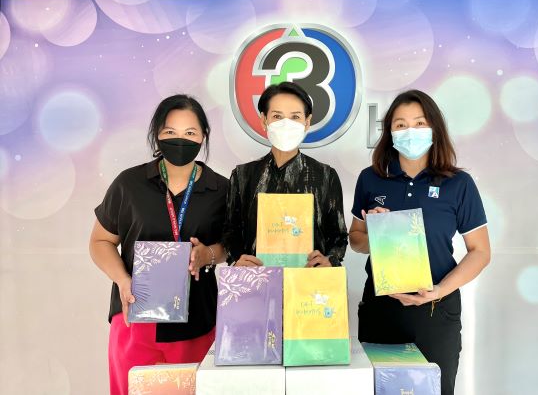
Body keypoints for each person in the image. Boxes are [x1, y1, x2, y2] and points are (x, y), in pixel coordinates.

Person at [349, 89, 491, 395]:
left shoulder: (458, 183)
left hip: (436, 310)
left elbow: (480, 252)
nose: (409, 131)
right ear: (389, 132)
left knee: (434, 389)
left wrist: (439, 290)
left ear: (434, 128)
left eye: (419, 123)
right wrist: (378, 234)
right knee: (381, 390)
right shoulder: (371, 178)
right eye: (400, 124)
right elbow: (356, 240)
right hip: (381, 308)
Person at [89, 95, 229, 395]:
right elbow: (100, 241)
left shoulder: (221, 189)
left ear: (203, 136)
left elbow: (229, 247)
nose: (180, 140)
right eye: (170, 132)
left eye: (190, 132)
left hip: (196, 319)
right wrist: (122, 280)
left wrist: (207, 254)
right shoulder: (129, 184)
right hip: (136, 316)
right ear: (157, 135)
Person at [223, 81, 348, 268]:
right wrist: (237, 260)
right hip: (256, 280)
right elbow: (230, 231)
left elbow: (338, 235)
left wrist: (329, 260)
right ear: (264, 120)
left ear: (307, 122)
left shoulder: (325, 176)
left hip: (308, 280)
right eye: (277, 116)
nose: (286, 124)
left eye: (295, 117)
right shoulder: (243, 176)